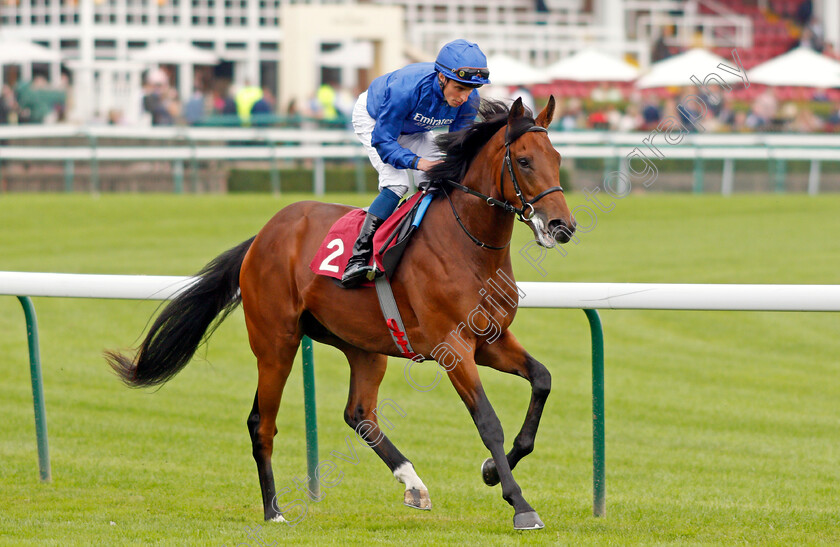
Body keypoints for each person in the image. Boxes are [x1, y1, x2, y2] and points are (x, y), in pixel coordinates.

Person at [340, 38, 490, 288]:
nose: (464, 97)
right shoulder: (405, 89)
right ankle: (357, 257)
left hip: (416, 128)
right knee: (397, 184)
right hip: (375, 121)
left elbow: (458, 148)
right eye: (459, 88)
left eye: (470, 89)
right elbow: (384, 141)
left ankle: (421, 243)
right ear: (442, 78)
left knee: (437, 183)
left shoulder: (469, 101)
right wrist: (418, 162)